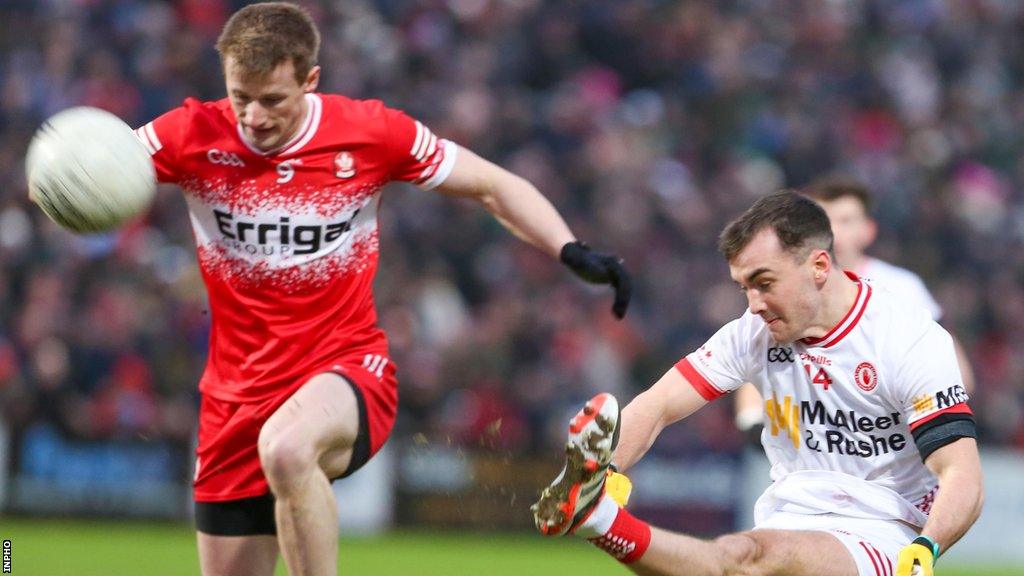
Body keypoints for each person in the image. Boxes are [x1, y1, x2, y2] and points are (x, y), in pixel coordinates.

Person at [125, 4, 631, 575]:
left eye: (272, 100)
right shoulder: (191, 133)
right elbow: (95, 168)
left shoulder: (369, 132)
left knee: (288, 449)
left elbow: (492, 185)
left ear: (310, 80)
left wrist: (568, 247)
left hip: (345, 371)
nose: (254, 116)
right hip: (233, 401)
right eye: (241, 97)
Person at [533, 191, 982, 576]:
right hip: (788, 515)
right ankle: (596, 508)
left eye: (764, 283)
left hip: (882, 530)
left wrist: (927, 548)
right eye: (743, 287)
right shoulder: (753, 332)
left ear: (819, 266)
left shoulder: (906, 338)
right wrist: (609, 469)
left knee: (743, 557)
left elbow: (961, 473)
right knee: (742, 557)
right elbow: (659, 404)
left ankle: (601, 522)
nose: (754, 304)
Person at [734, 178, 975, 444]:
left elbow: (954, 369)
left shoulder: (901, 287)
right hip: (806, 445)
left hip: (886, 446)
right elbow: (759, 357)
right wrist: (753, 422)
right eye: (825, 220)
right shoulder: (788, 287)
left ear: (868, 230)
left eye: (846, 220)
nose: (834, 230)